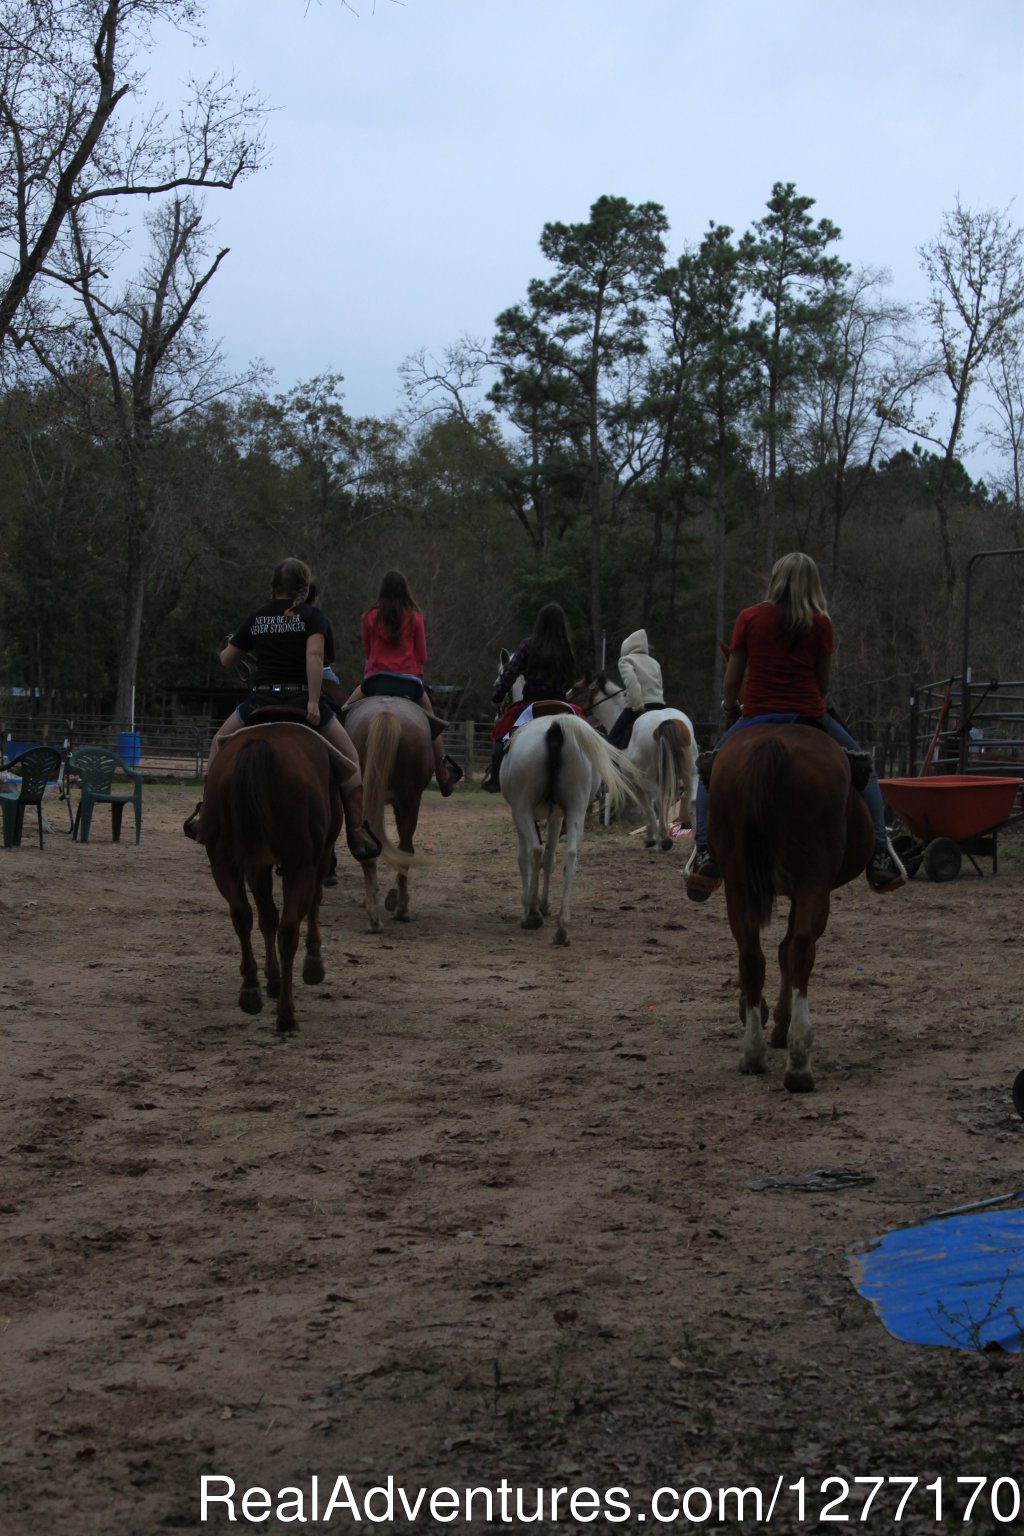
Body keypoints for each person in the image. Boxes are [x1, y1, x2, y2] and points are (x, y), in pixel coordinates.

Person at [685, 551, 905, 901]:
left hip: (755, 715)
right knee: (865, 768)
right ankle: (880, 852)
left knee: (708, 772)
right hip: (809, 714)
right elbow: (823, 684)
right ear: (812, 584)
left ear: (776, 580)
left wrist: (731, 706)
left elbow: (731, 681)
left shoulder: (750, 617)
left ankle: (703, 853)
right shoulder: (820, 623)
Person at [184, 557, 380, 862]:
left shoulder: (257, 616)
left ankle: (207, 815)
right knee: (351, 759)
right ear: (303, 587)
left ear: (274, 585)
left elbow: (227, 660)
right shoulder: (312, 616)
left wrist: (228, 647)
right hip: (301, 700)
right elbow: (315, 656)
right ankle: (356, 830)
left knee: (218, 744)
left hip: (261, 700)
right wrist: (314, 702)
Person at [343, 570, 462, 796]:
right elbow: (423, 656)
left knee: (343, 713)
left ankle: (338, 766)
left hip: (375, 680)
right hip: (409, 682)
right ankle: (442, 773)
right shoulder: (415, 617)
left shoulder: (368, 616)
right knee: (433, 726)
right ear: (405, 590)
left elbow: (368, 652)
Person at [483, 602, 577, 791]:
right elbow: (571, 679)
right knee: (588, 736)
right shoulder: (566, 648)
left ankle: (495, 778)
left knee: (502, 736)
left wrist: (497, 697)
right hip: (561, 703)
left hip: (531, 705)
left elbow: (510, 673)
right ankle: (595, 788)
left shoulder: (528, 645)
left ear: (540, 623)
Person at [607, 628, 666, 749]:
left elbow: (632, 684)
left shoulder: (625, 660)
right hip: (660, 706)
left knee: (612, 740)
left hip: (640, 707)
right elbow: (658, 685)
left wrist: (638, 707)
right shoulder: (655, 662)